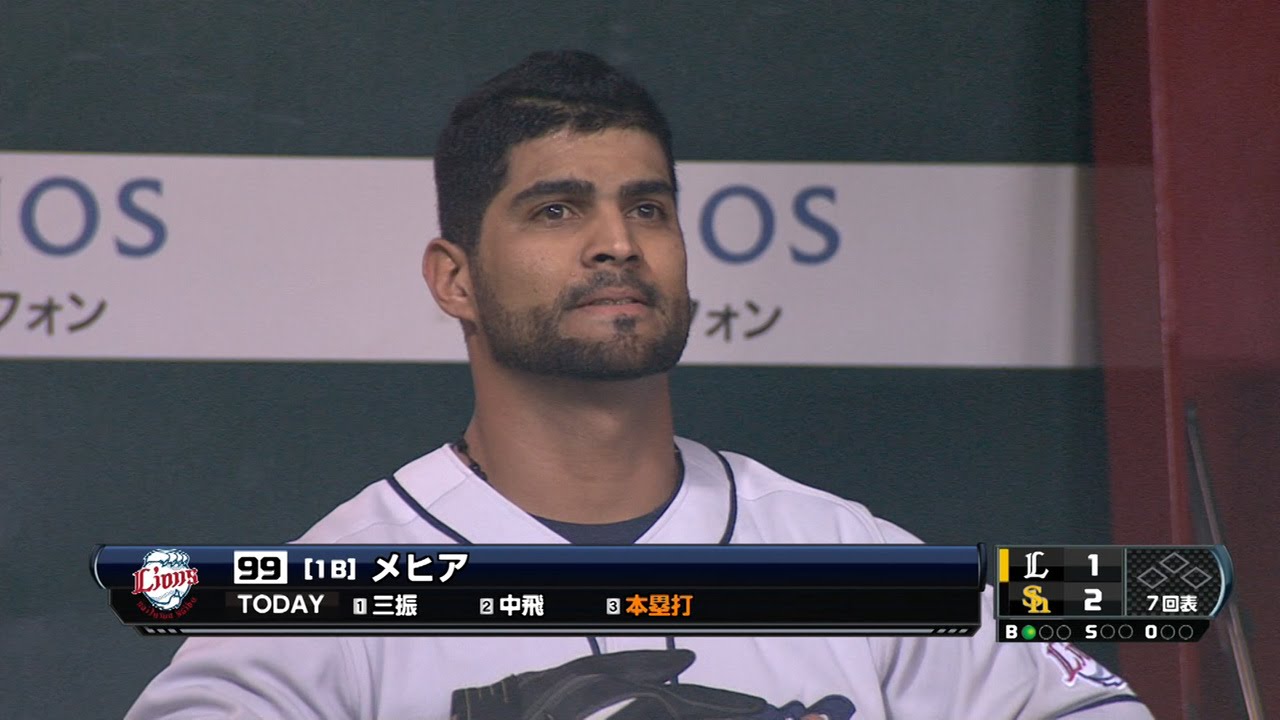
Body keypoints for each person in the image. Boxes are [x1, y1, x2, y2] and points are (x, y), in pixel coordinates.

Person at [128, 50, 1154, 719]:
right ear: (454, 279)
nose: (617, 242)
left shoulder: (845, 559)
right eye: (556, 210)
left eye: (648, 208)